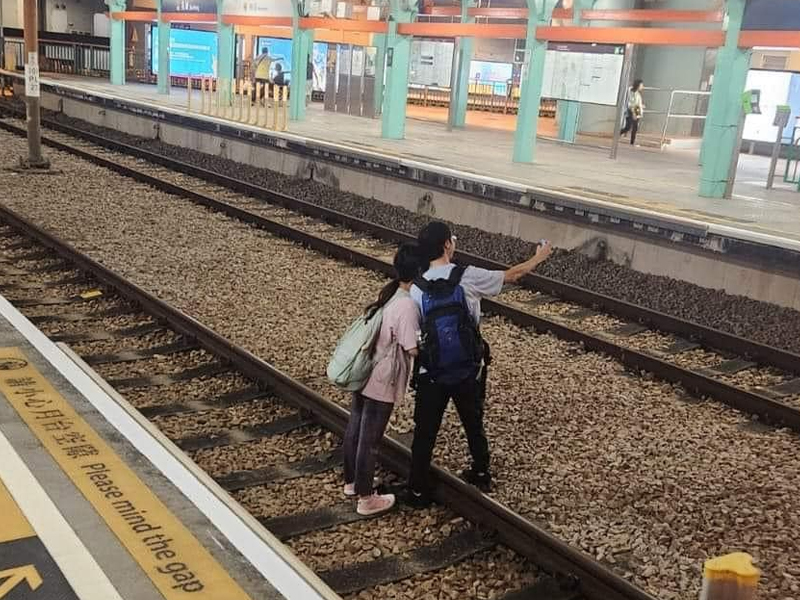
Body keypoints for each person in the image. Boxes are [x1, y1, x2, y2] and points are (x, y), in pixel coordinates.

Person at [406, 222, 553, 506]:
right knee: (473, 421)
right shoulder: (467, 276)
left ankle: (417, 490)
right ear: (446, 245)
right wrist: (539, 256)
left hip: (431, 372)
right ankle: (481, 470)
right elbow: (513, 275)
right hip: (466, 367)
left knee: (425, 431)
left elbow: (416, 331)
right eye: (452, 239)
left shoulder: (417, 287)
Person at [342, 244, 422, 516]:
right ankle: (366, 499)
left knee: (355, 429)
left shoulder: (389, 293)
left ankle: (352, 483)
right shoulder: (407, 305)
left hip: (365, 370)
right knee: (370, 441)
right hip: (382, 379)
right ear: (419, 273)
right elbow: (412, 347)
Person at [621, 79, 645, 146]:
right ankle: (618, 134)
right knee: (628, 127)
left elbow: (637, 103)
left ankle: (632, 142)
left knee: (635, 127)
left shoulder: (637, 93)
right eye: (641, 85)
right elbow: (631, 103)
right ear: (638, 85)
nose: (642, 87)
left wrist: (641, 106)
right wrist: (634, 112)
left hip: (637, 109)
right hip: (633, 110)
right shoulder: (632, 93)